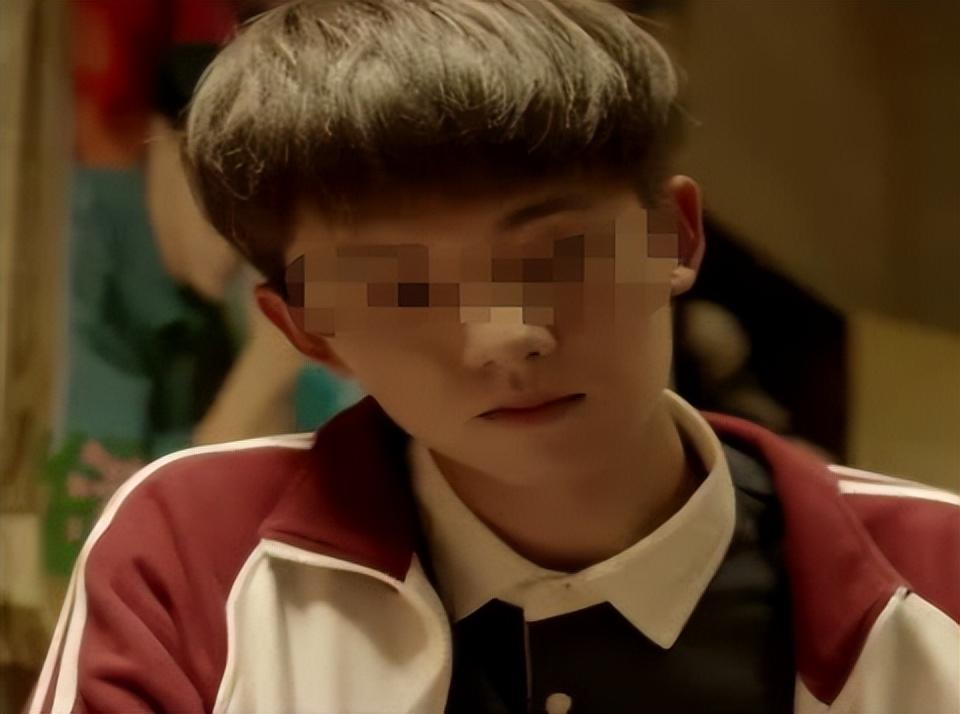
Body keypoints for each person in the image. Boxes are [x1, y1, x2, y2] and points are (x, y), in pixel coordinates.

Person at [29, 1, 958, 712]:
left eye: (558, 255)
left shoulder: (936, 573)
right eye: (399, 290)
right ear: (306, 330)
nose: (506, 335)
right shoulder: (195, 551)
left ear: (674, 237)